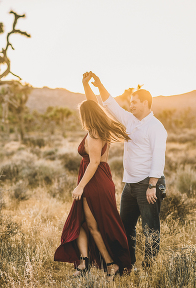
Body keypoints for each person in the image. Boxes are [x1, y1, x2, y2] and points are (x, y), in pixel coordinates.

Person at [81, 71, 168, 270]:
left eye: (135, 102)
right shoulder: (129, 120)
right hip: (130, 184)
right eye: (130, 102)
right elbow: (110, 105)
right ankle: (129, 264)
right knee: (125, 226)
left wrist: (153, 185)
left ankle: (150, 267)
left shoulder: (156, 127)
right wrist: (99, 85)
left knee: (150, 227)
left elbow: (158, 157)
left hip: (148, 184)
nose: (131, 105)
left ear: (145, 103)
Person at [53, 90, 133, 280]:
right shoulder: (99, 130)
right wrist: (86, 85)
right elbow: (92, 103)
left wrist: (80, 186)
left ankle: (111, 264)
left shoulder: (94, 134)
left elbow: (94, 162)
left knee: (92, 224)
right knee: (80, 221)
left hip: (94, 181)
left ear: (86, 115)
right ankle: (83, 262)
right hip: (97, 179)